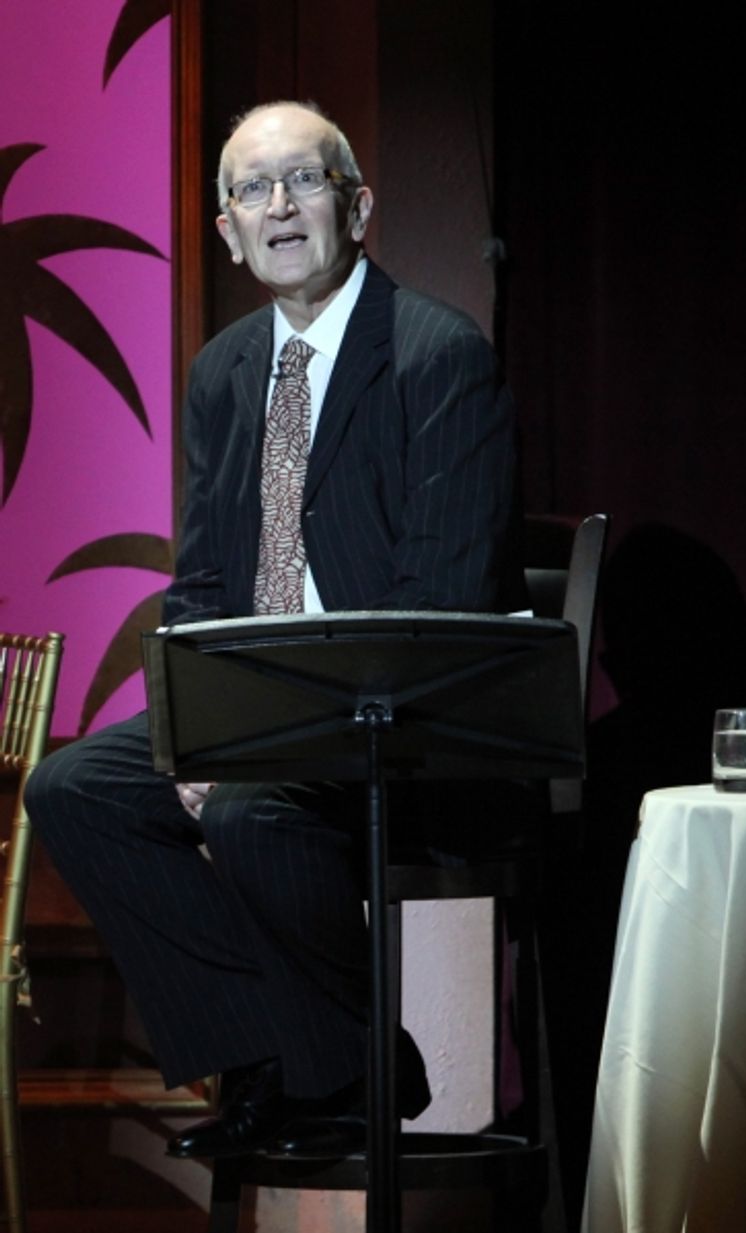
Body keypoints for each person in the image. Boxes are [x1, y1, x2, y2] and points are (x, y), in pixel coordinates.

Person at [24, 100, 523, 1159]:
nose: (280, 206)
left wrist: (269, 733)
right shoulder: (226, 370)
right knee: (76, 789)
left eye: (305, 181)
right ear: (228, 228)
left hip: (390, 711)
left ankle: (319, 1071)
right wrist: (193, 730)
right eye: (253, 188)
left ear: (358, 206)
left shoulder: (438, 356)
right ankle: (303, 1052)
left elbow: (441, 601)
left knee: (251, 813)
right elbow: (203, 579)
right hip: (255, 702)